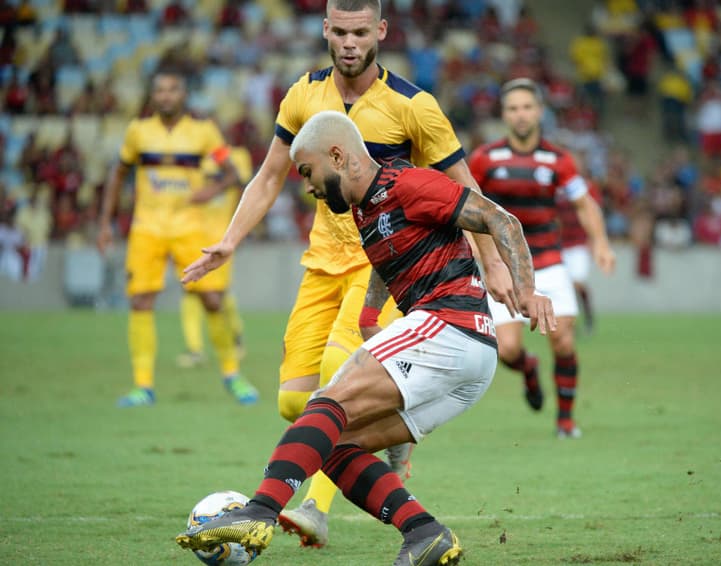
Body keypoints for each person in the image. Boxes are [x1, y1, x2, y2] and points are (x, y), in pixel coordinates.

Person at [183, 0, 515, 548]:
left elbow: (465, 189)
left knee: (335, 397)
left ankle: (307, 508)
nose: (349, 43)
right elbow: (267, 177)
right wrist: (229, 240)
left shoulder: (413, 105)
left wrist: (495, 263)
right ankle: (419, 522)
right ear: (325, 31)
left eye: (360, 32)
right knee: (296, 402)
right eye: (339, 31)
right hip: (321, 266)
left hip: (379, 266)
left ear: (380, 31)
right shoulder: (301, 95)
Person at [176, 109, 554, 566]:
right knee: (335, 447)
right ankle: (424, 534)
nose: (309, 187)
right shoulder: (364, 207)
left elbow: (500, 219)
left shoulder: (407, 184)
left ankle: (258, 512)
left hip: (450, 326)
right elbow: (385, 254)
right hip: (468, 362)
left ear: (338, 155)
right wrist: (372, 311)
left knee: (324, 404)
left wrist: (528, 290)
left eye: (309, 172)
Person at [96, 67, 259, 408]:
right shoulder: (138, 133)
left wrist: (211, 188)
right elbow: (118, 174)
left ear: (183, 95)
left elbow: (232, 174)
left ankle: (232, 374)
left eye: (172, 89)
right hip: (147, 228)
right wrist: (105, 223)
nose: (166, 96)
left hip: (189, 228)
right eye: (160, 90)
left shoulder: (203, 133)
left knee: (212, 299)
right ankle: (143, 386)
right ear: (153, 96)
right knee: (141, 302)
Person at [468, 78, 615, 438]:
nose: (520, 115)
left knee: (563, 341)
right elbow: (467, 207)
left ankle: (565, 421)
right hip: (505, 266)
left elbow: (584, 203)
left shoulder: (558, 160)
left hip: (548, 262)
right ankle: (529, 370)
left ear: (540, 112)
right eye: (513, 108)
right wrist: (476, 250)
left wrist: (600, 242)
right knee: (507, 350)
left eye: (527, 107)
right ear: (504, 114)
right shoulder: (486, 159)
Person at [176, 145, 253, 369]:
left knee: (218, 292)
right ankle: (195, 349)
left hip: (222, 234)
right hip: (192, 232)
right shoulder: (193, 156)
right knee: (190, 290)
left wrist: (240, 226)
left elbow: (243, 185)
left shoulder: (237, 155)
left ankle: (235, 338)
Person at [558, 165, 603, 335]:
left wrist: (595, 239)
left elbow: (592, 211)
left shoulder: (586, 187)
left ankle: (588, 317)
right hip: (560, 243)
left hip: (579, 243)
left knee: (577, 283)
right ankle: (572, 323)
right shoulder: (556, 187)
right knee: (566, 286)